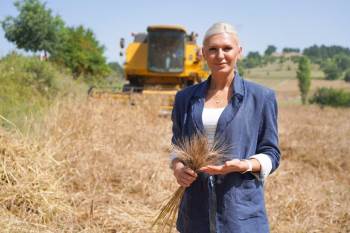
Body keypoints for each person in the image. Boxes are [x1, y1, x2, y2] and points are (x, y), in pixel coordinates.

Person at [170, 22, 281, 233]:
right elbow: (177, 146)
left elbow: (271, 153)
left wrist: (245, 165)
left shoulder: (262, 97)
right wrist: (177, 167)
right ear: (203, 53)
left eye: (227, 48)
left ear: (239, 51)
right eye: (212, 49)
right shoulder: (185, 98)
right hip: (195, 211)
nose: (220, 55)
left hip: (240, 214)